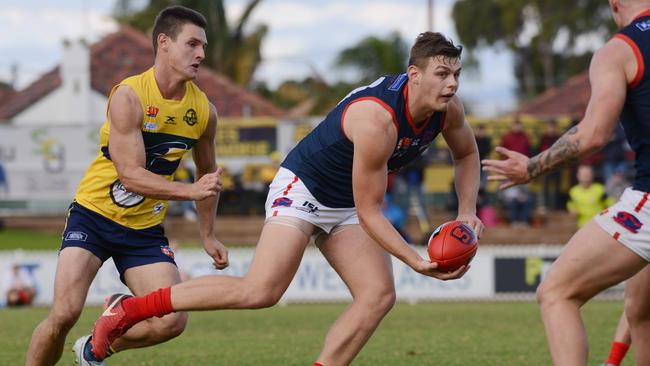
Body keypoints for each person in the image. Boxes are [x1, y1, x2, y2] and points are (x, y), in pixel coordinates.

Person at [88, 31, 484, 366]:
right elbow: (369, 210)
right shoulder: (377, 120)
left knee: (378, 295)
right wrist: (416, 260)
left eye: (456, 75)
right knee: (260, 292)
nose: (451, 84)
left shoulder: (447, 110)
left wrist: (467, 212)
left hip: (347, 199)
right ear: (414, 75)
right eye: (442, 74)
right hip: (305, 187)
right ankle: (129, 310)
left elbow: (466, 154)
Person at [25, 6, 227, 366]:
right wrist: (189, 192)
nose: (201, 55)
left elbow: (207, 176)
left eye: (203, 47)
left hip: (144, 232)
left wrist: (208, 235)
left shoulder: (204, 111)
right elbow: (130, 174)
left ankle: (94, 348)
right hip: (94, 217)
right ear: (164, 43)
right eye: (192, 44)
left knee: (172, 321)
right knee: (64, 314)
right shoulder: (130, 96)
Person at [482, 1, 650, 363]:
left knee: (557, 291)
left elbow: (592, 135)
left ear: (614, 4)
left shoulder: (619, 50)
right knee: (641, 309)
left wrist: (531, 169)